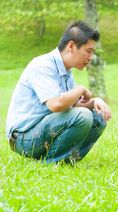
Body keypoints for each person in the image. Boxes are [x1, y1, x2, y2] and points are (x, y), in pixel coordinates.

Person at [6, 21, 111, 164]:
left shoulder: (67, 71)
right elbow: (56, 105)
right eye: (88, 51)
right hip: (24, 138)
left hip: (44, 130)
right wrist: (80, 89)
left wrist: (95, 102)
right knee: (84, 116)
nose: (91, 57)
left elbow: (72, 108)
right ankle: (52, 163)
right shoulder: (42, 65)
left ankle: (68, 161)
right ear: (71, 46)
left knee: (99, 117)